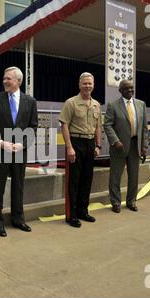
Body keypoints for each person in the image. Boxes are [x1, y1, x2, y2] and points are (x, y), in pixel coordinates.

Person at [0, 66, 38, 237]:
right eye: (4, 78)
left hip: (20, 151)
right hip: (1, 151)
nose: (5, 81)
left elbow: (33, 127)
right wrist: (0, 143)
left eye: (9, 78)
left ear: (19, 81)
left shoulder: (30, 102)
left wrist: (23, 145)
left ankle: (18, 219)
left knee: (18, 186)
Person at [58, 72, 102, 228]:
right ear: (79, 84)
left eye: (90, 83)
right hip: (75, 143)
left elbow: (98, 127)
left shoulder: (96, 104)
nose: (87, 86)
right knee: (74, 181)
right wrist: (69, 147)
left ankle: (83, 211)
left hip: (90, 144)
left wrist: (98, 145)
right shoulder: (71, 103)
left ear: (93, 85)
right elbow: (64, 125)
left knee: (87, 179)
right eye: (85, 83)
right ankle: (72, 215)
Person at [104, 80, 148, 213]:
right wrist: (115, 141)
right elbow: (107, 124)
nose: (130, 91)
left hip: (135, 145)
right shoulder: (113, 105)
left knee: (134, 176)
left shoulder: (141, 104)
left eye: (131, 88)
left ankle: (131, 201)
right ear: (120, 91)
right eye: (126, 89)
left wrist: (144, 146)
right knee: (115, 176)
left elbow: (144, 128)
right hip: (119, 146)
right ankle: (116, 202)